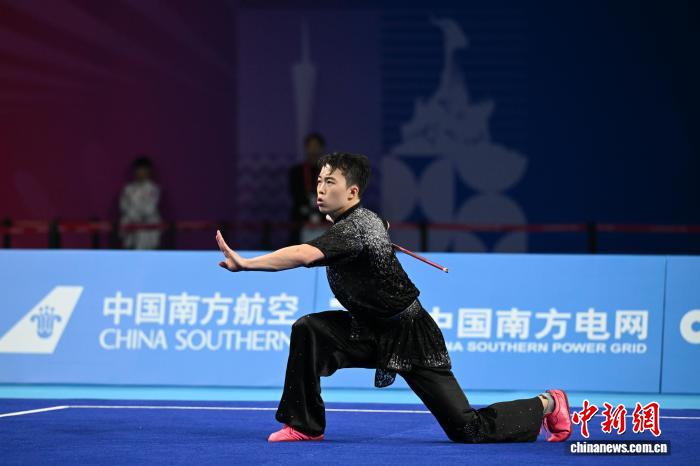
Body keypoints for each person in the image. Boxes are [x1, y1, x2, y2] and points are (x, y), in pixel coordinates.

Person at [214, 152, 571, 444]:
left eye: (330, 182)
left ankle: (547, 403)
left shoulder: (354, 229)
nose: (320, 188)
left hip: (411, 335)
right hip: (369, 329)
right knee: (310, 329)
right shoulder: (364, 221)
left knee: (468, 430)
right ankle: (305, 425)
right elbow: (379, 225)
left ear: (352, 192)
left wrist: (247, 264)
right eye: (319, 180)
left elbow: (304, 255)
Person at [288, 132, 326, 245]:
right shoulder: (296, 172)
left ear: (321, 148)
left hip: (325, 219)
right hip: (301, 220)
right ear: (306, 148)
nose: (313, 150)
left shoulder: (330, 172)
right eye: (311, 146)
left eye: (316, 146)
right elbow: (295, 194)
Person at [119, 156, 162, 249]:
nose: (141, 172)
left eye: (144, 169)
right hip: (131, 224)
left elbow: (150, 208)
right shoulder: (128, 189)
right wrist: (133, 216)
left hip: (147, 226)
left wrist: (138, 217)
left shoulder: (153, 189)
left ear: (149, 171)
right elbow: (123, 206)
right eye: (138, 169)